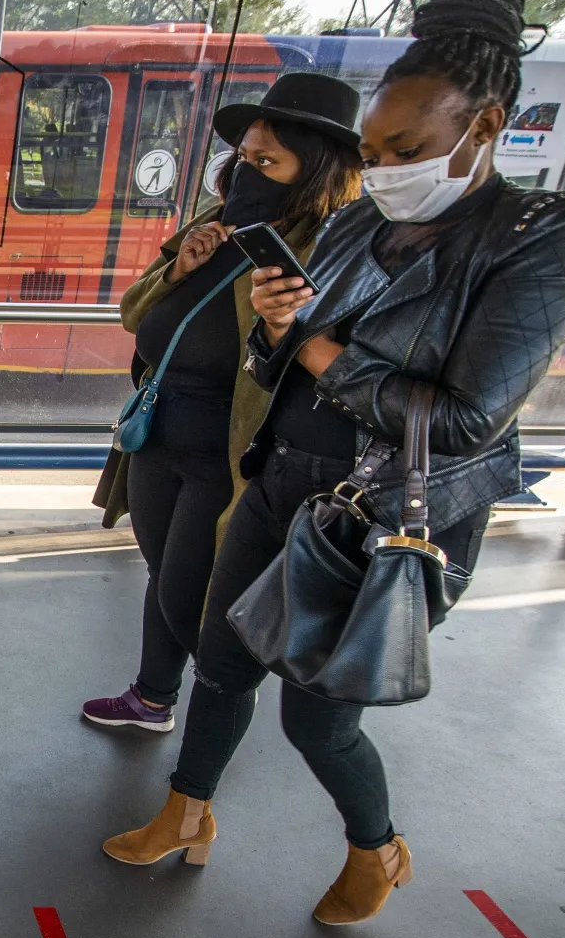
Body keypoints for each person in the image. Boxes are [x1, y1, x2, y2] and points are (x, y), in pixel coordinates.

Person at [100, 0, 565, 925]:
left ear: (485, 126)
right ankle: (186, 812)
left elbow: (462, 420)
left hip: (382, 515)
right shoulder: (362, 222)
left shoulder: (533, 244)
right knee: (220, 658)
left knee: (317, 717)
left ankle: (377, 848)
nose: (387, 167)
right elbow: (270, 357)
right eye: (374, 150)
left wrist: (315, 346)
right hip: (282, 478)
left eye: (408, 148)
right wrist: (274, 325)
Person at [84, 74, 365, 734]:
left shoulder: (326, 248)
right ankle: (153, 697)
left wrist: (284, 315)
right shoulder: (215, 224)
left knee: (192, 593)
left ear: (314, 170)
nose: (247, 170)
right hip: (158, 426)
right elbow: (134, 313)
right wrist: (180, 268)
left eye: (267, 161)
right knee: (161, 571)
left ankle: (224, 693)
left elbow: (322, 364)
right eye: (243, 156)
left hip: (229, 447)